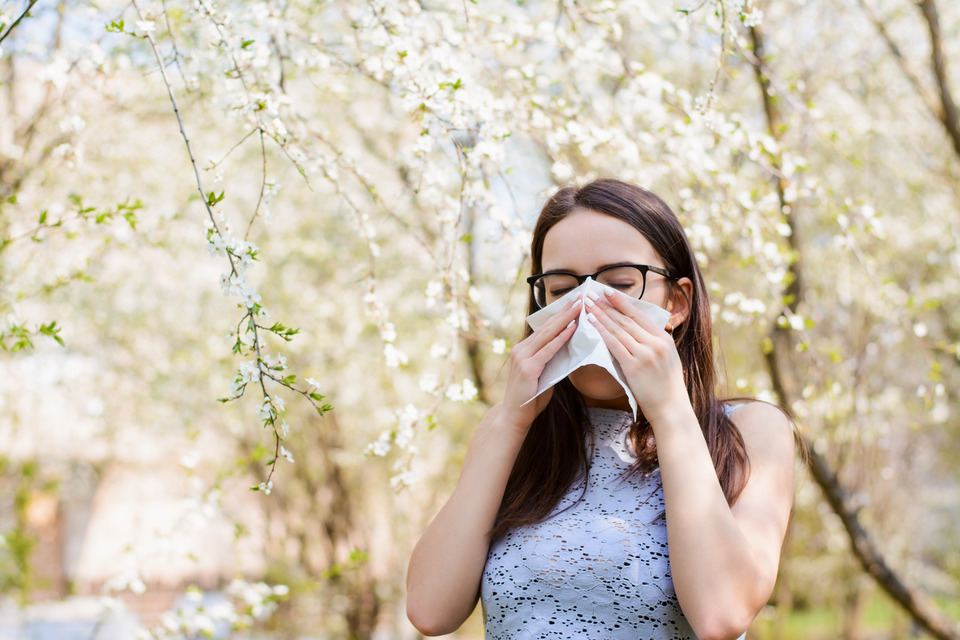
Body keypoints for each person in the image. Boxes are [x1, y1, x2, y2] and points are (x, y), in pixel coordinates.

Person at [406, 178, 796, 639]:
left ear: (677, 302)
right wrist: (508, 421)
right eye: (561, 289)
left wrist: (670, 412)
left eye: (620, 284)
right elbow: (430, 610)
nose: (588, 307)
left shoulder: (748, 432)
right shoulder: (519, 440)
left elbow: (722, 614)